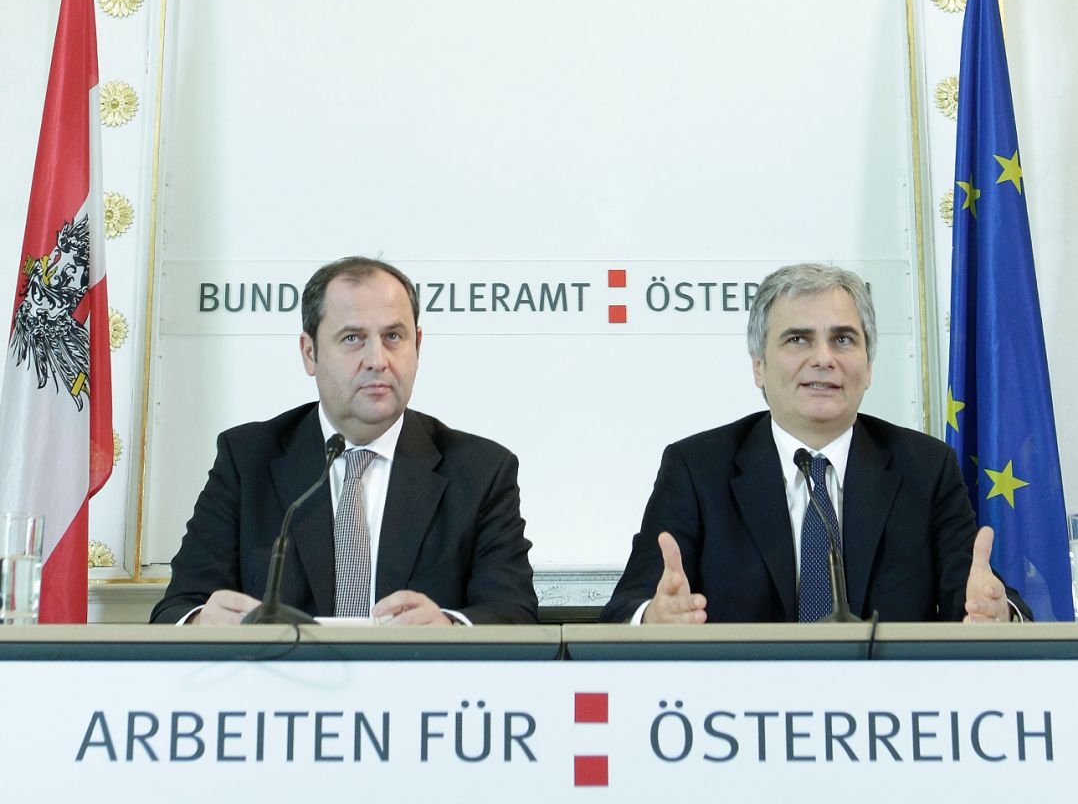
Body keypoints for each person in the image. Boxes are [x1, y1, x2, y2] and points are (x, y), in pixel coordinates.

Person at [601, 263, 1026, 625]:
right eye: (798, 339)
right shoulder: (697, 468)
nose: (824, 358)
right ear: (759, 367)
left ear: (869, 366)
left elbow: (975, 603)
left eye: (843, 339)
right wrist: (652, 619)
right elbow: (625, 608)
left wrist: (999, 615)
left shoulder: (926, 469)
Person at [151, 255, 538, 626]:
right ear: (309, 352)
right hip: (279, 689)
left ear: (417, 345)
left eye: (393, 337)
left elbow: (514, 613)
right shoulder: (247, 460)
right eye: (353, 338)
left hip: (419, 689)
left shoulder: (480, 471)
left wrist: (450, 626)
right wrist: (202, 621)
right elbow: (177, 609)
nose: (377, 359)